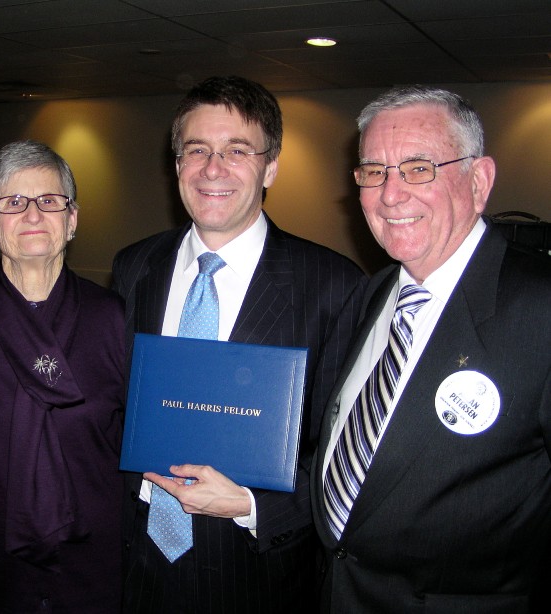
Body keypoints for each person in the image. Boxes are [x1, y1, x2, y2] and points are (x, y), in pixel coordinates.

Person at [112, 75, 367, 613]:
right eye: (197, 149)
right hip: (133, 563)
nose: (213, 168)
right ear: (176, 163)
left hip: (255, 574)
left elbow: (343, 458)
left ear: (270, 166)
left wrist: (251, 505)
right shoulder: (134, 267)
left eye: (237, 150)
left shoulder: (333, 286)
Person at [310, 85, 551, 612]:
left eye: (419, 168)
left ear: (479, 180)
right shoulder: (372, 294)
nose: (390, 194)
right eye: (374, 171)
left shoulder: (541, 308)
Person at [0, 140, 125, 613]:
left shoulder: (114, 318)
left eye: (49, 201)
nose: (32, 215)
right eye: (12, 203)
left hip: (99, 564)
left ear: (72, 220)